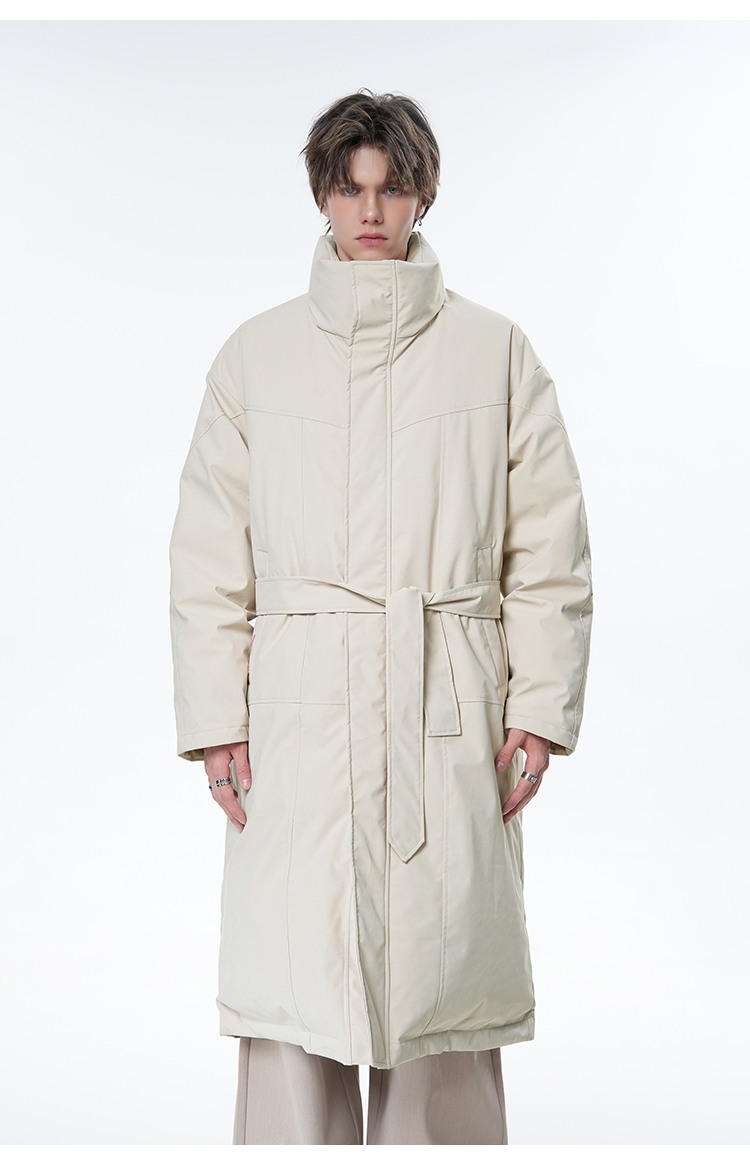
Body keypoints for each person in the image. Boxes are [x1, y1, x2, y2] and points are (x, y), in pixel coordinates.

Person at [168, 89, 594, 1145]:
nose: (371, 211)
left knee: (444, 1000)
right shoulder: (255, 357)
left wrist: (539, 709)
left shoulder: (496, 352)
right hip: (301, 715)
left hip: (446, 704)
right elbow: (209, 560)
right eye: (351, 188)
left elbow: (550, 551)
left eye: (392, 188)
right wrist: (217, 720)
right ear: (322, 195)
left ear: (421, 196)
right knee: (294, 1002)